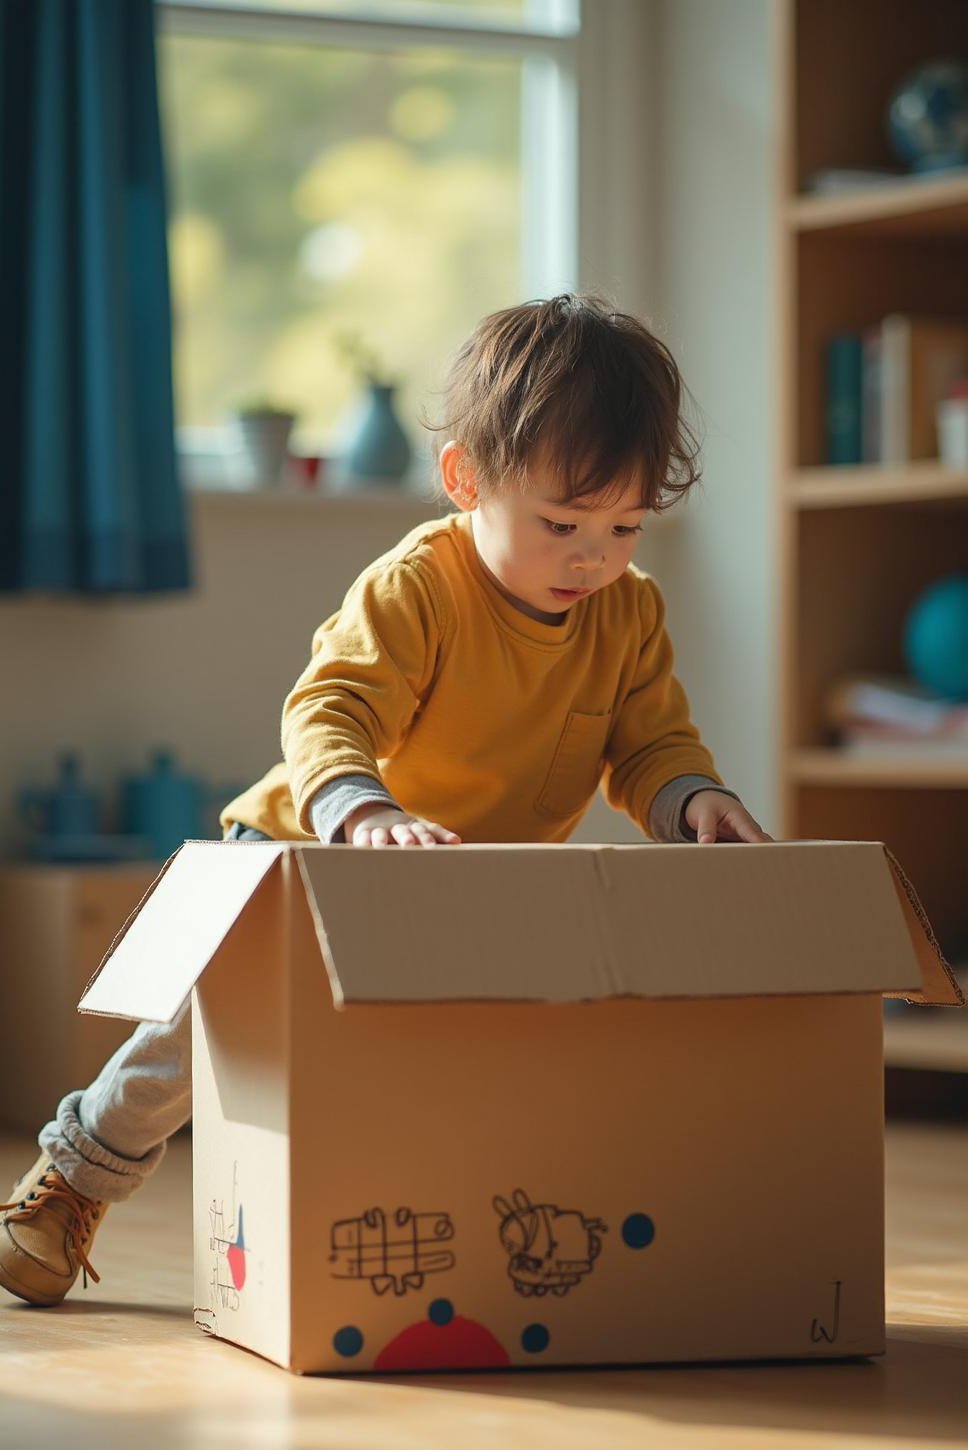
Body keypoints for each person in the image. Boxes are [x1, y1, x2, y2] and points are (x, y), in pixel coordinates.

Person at [0, 293, 771, 1308]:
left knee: (451, 1062)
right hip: (305, 845)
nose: (592, 554)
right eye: (559, 523)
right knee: (207, 1031)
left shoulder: (625, 616)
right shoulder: (418, 586)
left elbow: (650, 741)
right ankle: (76, 1175)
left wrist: (690, 798)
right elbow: (327, 710)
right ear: (465, 482)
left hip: (456, 881)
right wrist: (360, 810)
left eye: (624, 524)